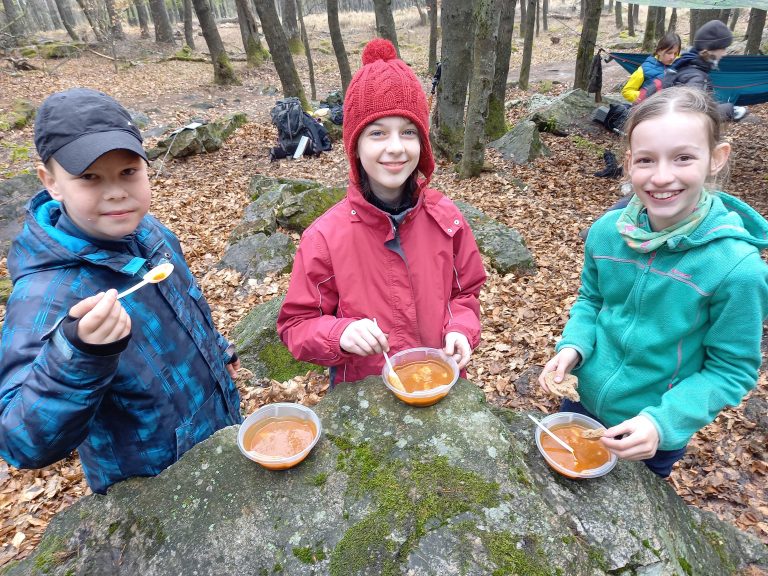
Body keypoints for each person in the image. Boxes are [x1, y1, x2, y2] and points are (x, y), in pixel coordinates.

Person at [0, 88, 242, 494]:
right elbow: (22, 442)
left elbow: (185, 306)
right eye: (90, 178)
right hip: (151, 487)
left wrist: (219, 350)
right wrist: (79, 352)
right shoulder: (46, 294)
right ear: (51, 182)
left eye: (128, 172)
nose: (115, 192)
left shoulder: (151, 233)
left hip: (218, 432)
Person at [539, 86, 768, 478]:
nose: (662, 177)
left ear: (716, 158)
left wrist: (662, 423)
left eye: (683, 158)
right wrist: (574, 346)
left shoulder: (737, 269)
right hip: (581, 402)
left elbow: (731, 369)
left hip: (650, 431)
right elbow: (592, 301)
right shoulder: (607, 233)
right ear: (629, 163)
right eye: (646, 160)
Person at [277, 39, 486, 385]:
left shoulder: (446, 219)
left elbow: (465, 294)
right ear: (355, 146)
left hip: (440, 384)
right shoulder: (326, 237)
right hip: (366, 397)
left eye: (408, 132)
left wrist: (461, 329)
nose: (395, 147)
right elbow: (296, 326)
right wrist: (338, 334)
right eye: (377, 133)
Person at [649, 19, 747, 121]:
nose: (724, 53)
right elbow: (693, 114)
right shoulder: (696, 76)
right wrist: (729, 111)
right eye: (723, 48)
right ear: (708, 51)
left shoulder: (685, 65)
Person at [621, 32, 682, 103]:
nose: (672, 57)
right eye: (669, 53)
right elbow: (626, 91)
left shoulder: (680, 65)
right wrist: (647, 95)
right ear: (659, 51)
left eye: (675, 53)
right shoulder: (644, 69)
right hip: (650, 109)